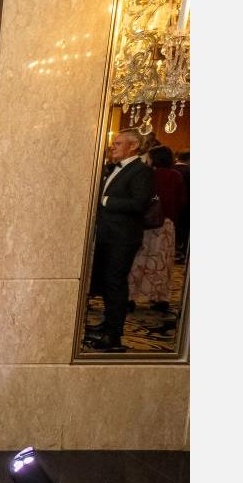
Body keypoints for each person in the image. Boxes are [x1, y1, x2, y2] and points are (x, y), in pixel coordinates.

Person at [87, 128, 154, 352]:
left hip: (123, 238)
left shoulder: (141, 171)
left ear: (133, 146)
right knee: (107, 283)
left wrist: (105, 200)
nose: (112, 146)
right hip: (108, 235)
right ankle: (108, 324)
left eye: (117, 143)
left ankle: (113, 335)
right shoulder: (114, 168)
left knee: (115, 284)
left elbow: (139, 204)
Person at [128, 145, 185, 310]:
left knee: (139, 259)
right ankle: (160, 298)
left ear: (153, 158)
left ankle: (131, 297)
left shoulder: (147, 174)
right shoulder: (176, 175)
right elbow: (182, 200)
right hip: (167, 224)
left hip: (146, 223)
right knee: (162, 261)